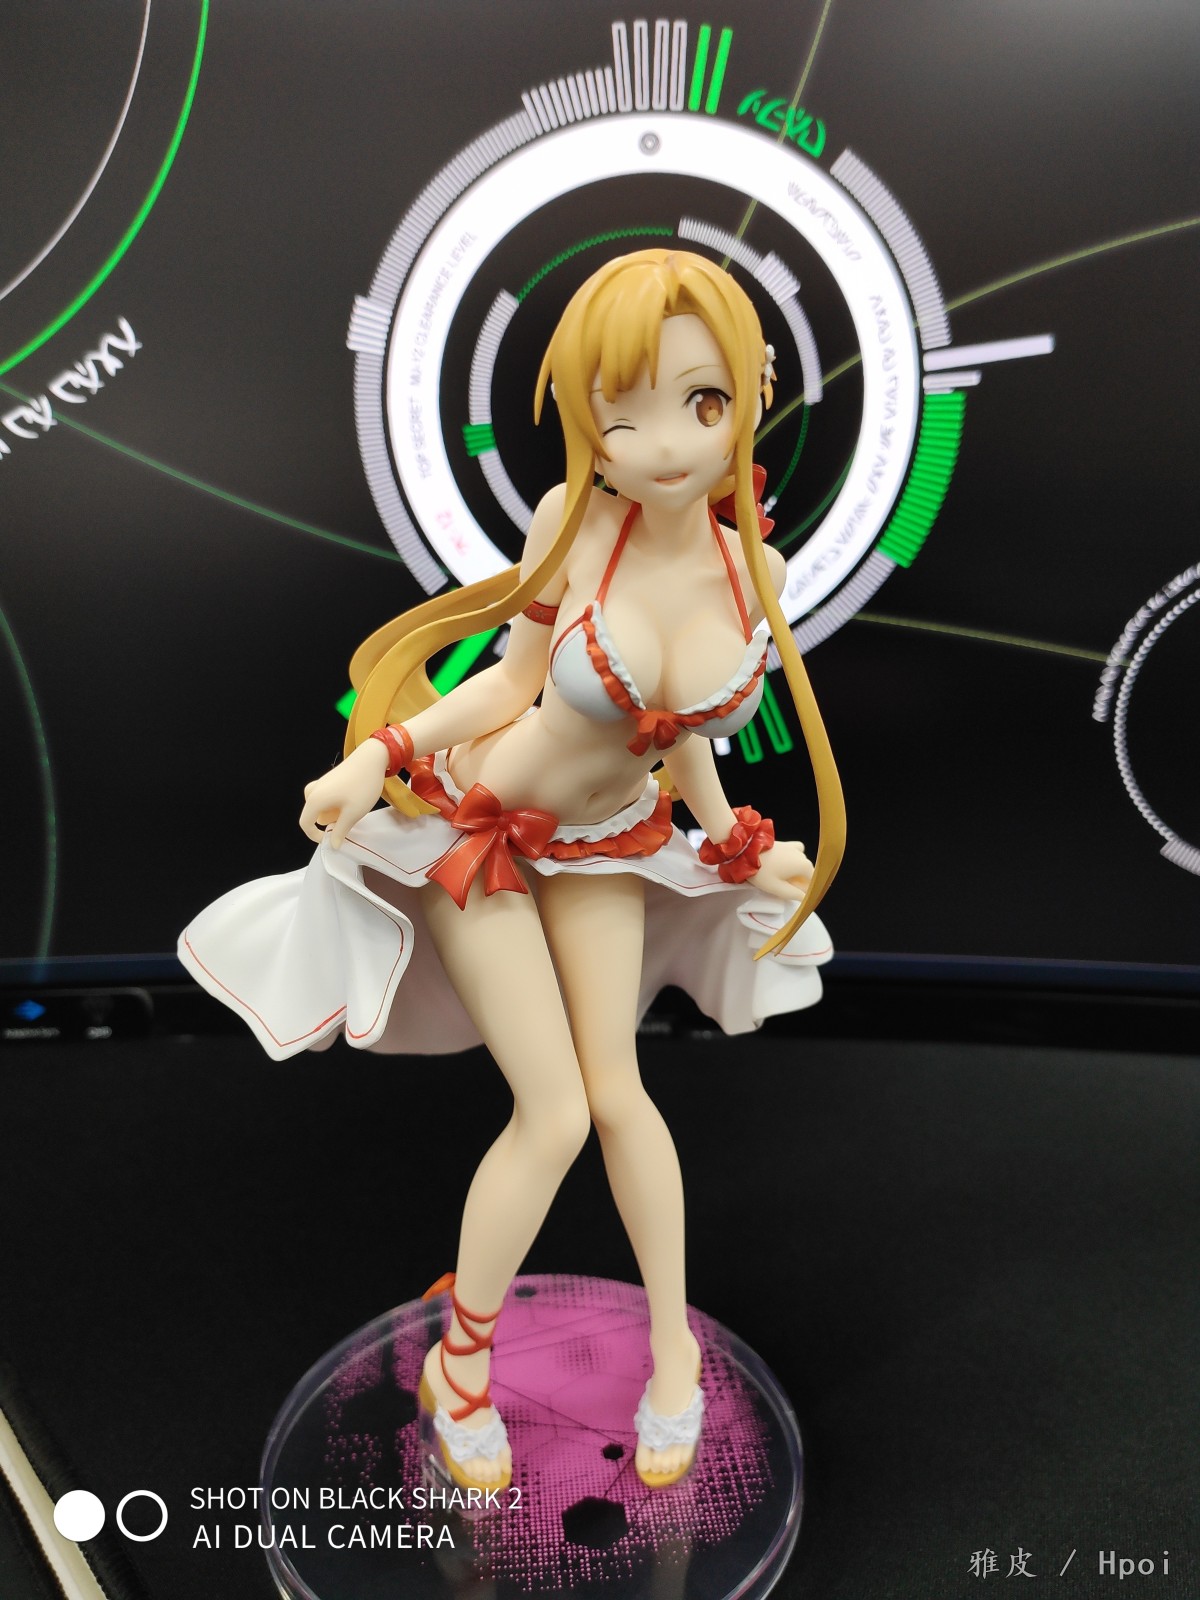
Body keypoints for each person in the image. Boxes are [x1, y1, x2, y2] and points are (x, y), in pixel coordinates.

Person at [179, 248, 844, 1495]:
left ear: (751, 397)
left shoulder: (751, 568)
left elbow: (685, 733)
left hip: (610, 844)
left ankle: (672, 1357)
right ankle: (463, 1363)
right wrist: (379, 754)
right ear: (585, 415)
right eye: (621, 412)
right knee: (552, 1113)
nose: (663, 444)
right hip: (483, 829)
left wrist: (733, 844)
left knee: (621, 1097)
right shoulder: (571, 526)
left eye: (701, 402)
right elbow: (509, 682)